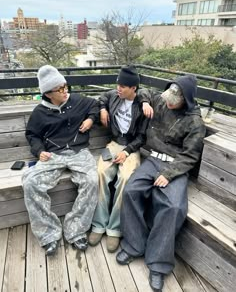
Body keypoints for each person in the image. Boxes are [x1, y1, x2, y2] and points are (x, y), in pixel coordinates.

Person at [116, 75, 206, 292]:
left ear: (185, 100)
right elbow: (146, 92)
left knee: (174, 207)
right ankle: (134, 245)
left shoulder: (194, 121)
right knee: (131, 191)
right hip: (152, 159)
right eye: (166, 98)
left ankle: (158, 264)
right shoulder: (161, 99)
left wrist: (169, 173)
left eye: (173, 101)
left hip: (175, 166)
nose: (167, 103)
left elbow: (190, 156)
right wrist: (146, 102)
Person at [22, 65, 99, 256]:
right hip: (53, 155)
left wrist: (91, 119)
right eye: (60, 89)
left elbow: (96, 105)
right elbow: (32, 135)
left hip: (79, 152)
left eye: (65, 86)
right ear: (48, 94)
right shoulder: (39, 113)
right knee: (31, 183)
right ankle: (48, 234)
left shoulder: (77, 101)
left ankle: (76, 230)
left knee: (91, 181)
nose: (66, 91)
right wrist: (39, 151)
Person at [88, 65, 148, 253]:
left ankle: (114, 229)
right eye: (118, 84)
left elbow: (142, 137)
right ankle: (98, 225)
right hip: (114, 143)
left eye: (123, 86)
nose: (118, 88)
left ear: (134, 88)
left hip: (131, 147)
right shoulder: (114, 96)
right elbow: (102, 97)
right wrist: (104, 109)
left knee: (125, 178)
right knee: (100, 173)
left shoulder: (141, 104)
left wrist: (127, 152)